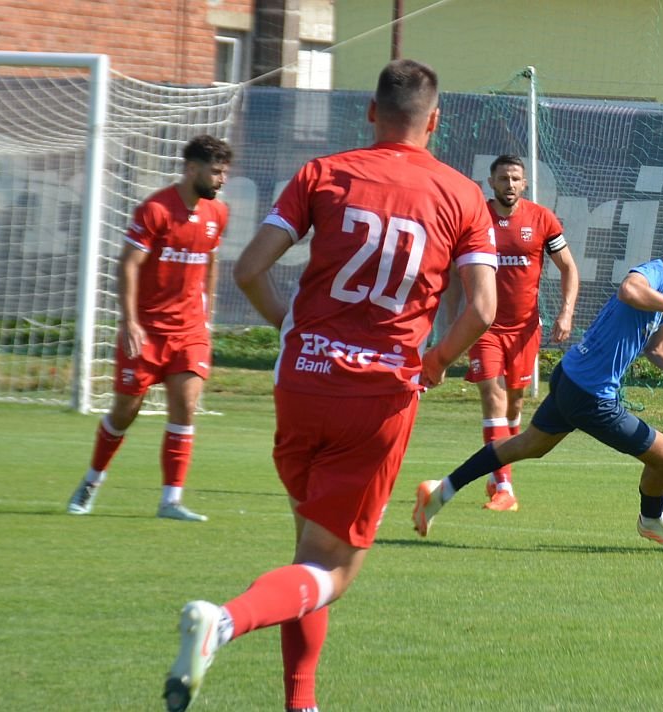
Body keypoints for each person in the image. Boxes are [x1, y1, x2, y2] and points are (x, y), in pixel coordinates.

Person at [162, 59, 498, 712]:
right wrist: (435, 362)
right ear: (435, 121)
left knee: (308, 554)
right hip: (376, 398)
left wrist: (292, 328)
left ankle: (302, 701)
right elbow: (483, 308)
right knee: (333, 571)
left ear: (371, 112)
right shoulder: (460, 195)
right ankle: (222, 623)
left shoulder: (323, 173)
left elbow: (250, 269)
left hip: (302, 384)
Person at [413, 220, 663, 550]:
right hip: (591, 394)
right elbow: (629, 290)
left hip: (572, 377)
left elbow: (658, 349)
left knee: (529, 445)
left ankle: (441, 490)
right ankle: (651, 521)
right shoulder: (656, 275)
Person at [66, 134, 232, 522]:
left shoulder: (217, 213)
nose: (222, 179)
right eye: (215, 171)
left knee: (185, 407)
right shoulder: (155, 209)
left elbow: (211, 262)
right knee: (126, 411)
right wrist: (130, 321)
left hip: (189, 331)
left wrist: (206, 315)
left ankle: (171, 501)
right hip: (147, 331)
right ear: (191, 169)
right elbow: (128, 264)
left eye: (224, 172)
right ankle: (92, 480)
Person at [466, 154, 579, 512]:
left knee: (514, 404)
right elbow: (454, 269)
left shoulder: (541, 219)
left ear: (525, 183)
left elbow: (568, 267)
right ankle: (504, 488)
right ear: (491, 182)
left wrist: (566, 312)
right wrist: (455, 318)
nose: (510, 184)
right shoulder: (476, 217)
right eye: (503, 178)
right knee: (493, 397)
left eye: (515, 178)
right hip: (483, 327)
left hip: (525, 329)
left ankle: (498, 468)